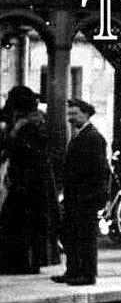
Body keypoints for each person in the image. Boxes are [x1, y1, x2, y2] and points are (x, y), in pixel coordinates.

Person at [0, 85, 60, 274]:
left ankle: (24, 262)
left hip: (29, 182)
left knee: (22, 222)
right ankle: (23, 261)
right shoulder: (29, 123)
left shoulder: (30, 126)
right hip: (30, 180)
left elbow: (25, 154)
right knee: (20, 222)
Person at [55, 98, 110, 286]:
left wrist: (94, 195)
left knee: (85, 235)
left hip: (86, 195)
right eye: (69, 114)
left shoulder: (94, 138)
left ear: (86, 114)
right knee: (72, 233)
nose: (70, 118)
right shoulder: (80, 135)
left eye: (74, 114)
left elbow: (99, 170)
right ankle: (73, 271)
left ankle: (87, 274)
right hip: (75, 194)